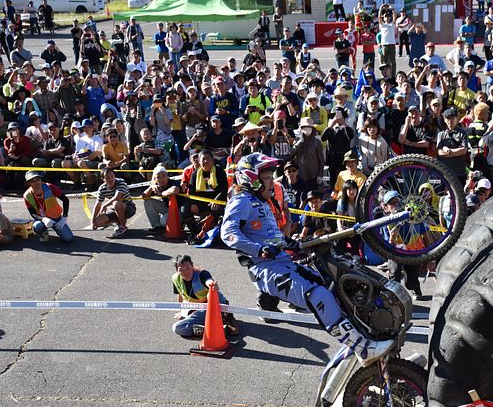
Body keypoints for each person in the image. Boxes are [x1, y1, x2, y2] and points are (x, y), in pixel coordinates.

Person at [222, 154, 394, 364]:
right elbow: (228, 234)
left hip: (284, 263)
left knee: (334, 285)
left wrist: (291, 243)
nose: (272, 182)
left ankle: (368, 337)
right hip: (265, 269)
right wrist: (259, 250)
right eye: (267, 178)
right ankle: (362, 348)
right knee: (318, 295)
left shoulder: (263, 203)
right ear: (252, 179)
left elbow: (273, 237)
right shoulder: (241, 201)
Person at [171, 255, 238, 339]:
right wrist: (181, 311)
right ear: (177, 270)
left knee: (181, 325)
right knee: (178, 328)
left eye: (187, 268)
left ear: (192, 266)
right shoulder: (175, 278)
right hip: (197, 308)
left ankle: (225, 320)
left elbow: (208, 280)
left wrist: (212, 284)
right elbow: (180, 295)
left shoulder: (202, 274)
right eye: (181, 270)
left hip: (214, 306)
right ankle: (216, 329)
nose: (185, 272)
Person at [23, 170, 73, 243]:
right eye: (32, 181)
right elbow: (32, 213)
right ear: (29, 183)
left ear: (41, 180)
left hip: (56, 217)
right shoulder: (27, 195)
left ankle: (59, 228)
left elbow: (65, 200)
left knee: (69, 239)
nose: (36, 182)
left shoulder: (50, 187)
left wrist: (64, 218)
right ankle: (44, 232)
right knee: (37, 226)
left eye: (38, 179)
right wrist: (44, 219)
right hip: (41, 219)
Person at [90, 167, 136, 239]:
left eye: (112, 176)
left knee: (116, 203)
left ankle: (123, 227)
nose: (110, 179)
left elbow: (117, 197)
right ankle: (118, 222)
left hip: (129, 208)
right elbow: (98, 204)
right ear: (103, 179)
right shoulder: (102, 188)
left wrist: (105, 205)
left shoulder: (121, 182)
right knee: (97, 223)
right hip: (114, 209)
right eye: (107, 177)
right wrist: (92, 221)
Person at [142, 165, 182, 233]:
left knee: (163, 222)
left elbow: (175, 190)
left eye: (163, 176)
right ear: (155, 179)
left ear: (167, 175)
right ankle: (157, 226)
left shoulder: (174, 182)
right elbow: (144, 197)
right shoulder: (156, 186)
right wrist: (151, 187)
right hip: (168, 208)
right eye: (158, 177)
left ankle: (181, 223)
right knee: (148, 202)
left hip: (179, 210)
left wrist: (162, 193)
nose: (161, 179)